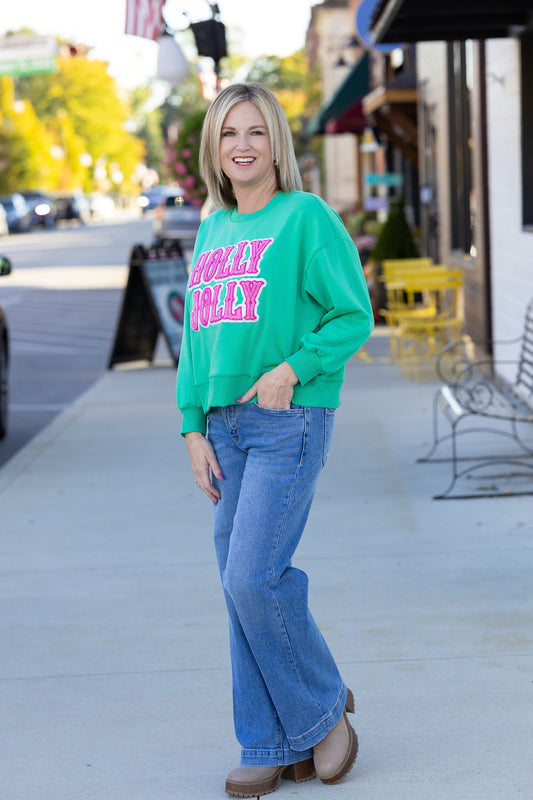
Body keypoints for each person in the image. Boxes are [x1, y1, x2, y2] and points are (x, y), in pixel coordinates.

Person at [176, 82, 374, 798]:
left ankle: (322, 714)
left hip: (287, 420)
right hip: (224, 427)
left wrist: (292, 369)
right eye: (230, 133)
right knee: (238, 591)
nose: (242, 145)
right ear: (214, 146)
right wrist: (190, 426)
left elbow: (352, 315)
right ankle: (265, 741)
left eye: (256, 131)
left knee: (250, 578)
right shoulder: (211, 226)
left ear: (275, 143)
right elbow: (197, 342)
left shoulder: (304, 217)